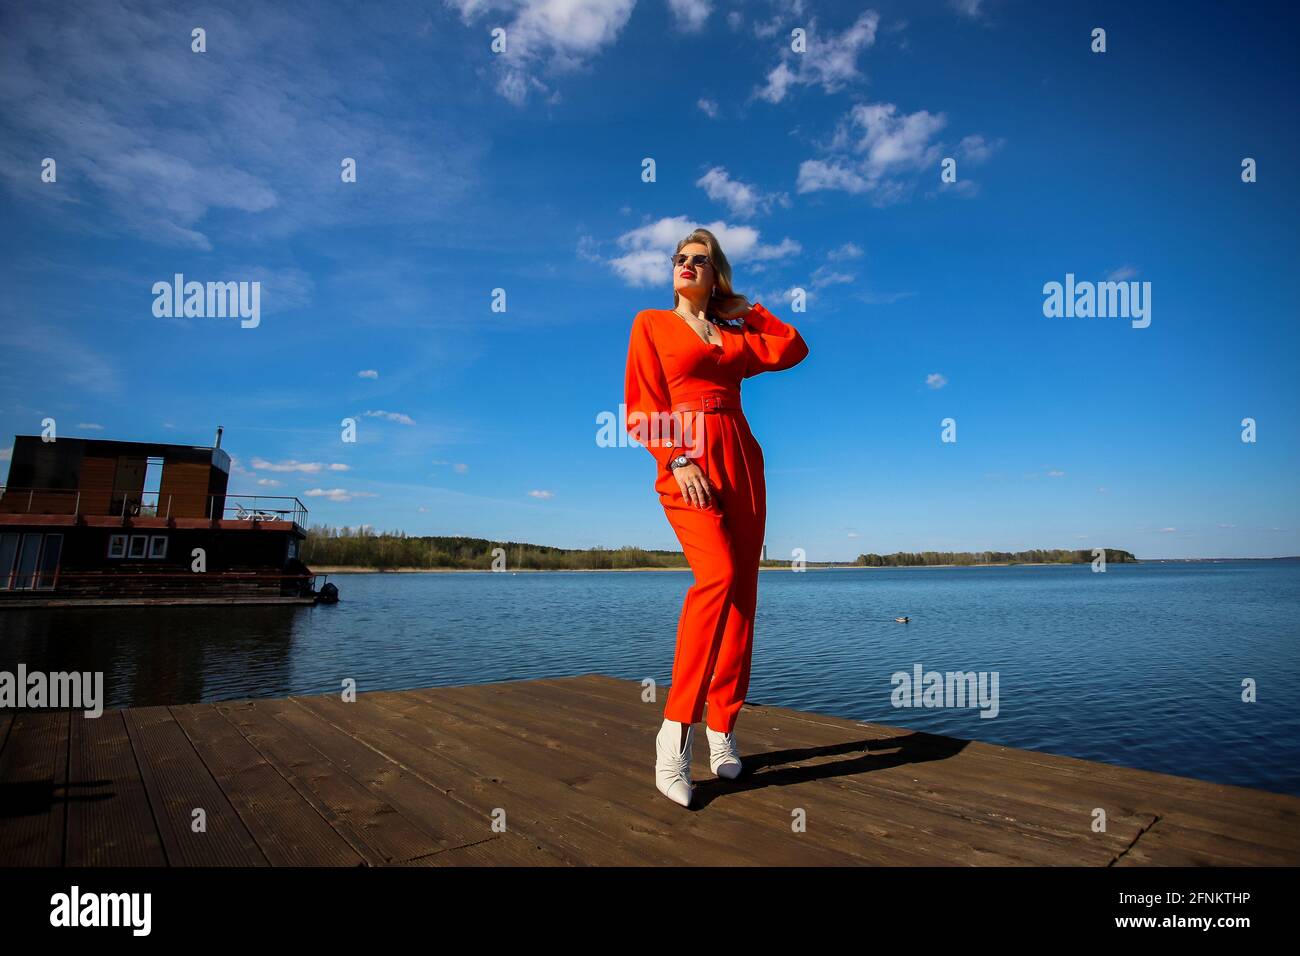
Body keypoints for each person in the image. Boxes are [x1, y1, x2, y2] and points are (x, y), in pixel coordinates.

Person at [623, 227, 809, 807]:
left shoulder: (732, 335)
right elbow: (639, 403)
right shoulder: (651, 323)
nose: (685, 264)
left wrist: (746, 307)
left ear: (715, 274)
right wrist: (675, 458)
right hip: (687, 458)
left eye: (698, 259)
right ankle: (674, 732)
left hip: (741, 460)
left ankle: (722, 728)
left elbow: (793, 346)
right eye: (679, 257)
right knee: (717, 577)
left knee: (744, 594)